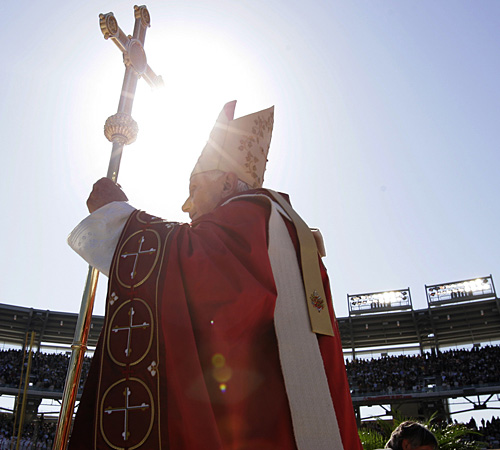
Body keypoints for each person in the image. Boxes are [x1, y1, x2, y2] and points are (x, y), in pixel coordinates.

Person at [67, 101, 362, 449]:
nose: (186, 205)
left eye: (194, 188)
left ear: (227, 183)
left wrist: (118, 217)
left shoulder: (250, 219)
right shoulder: (275, 224)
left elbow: (200, 279)